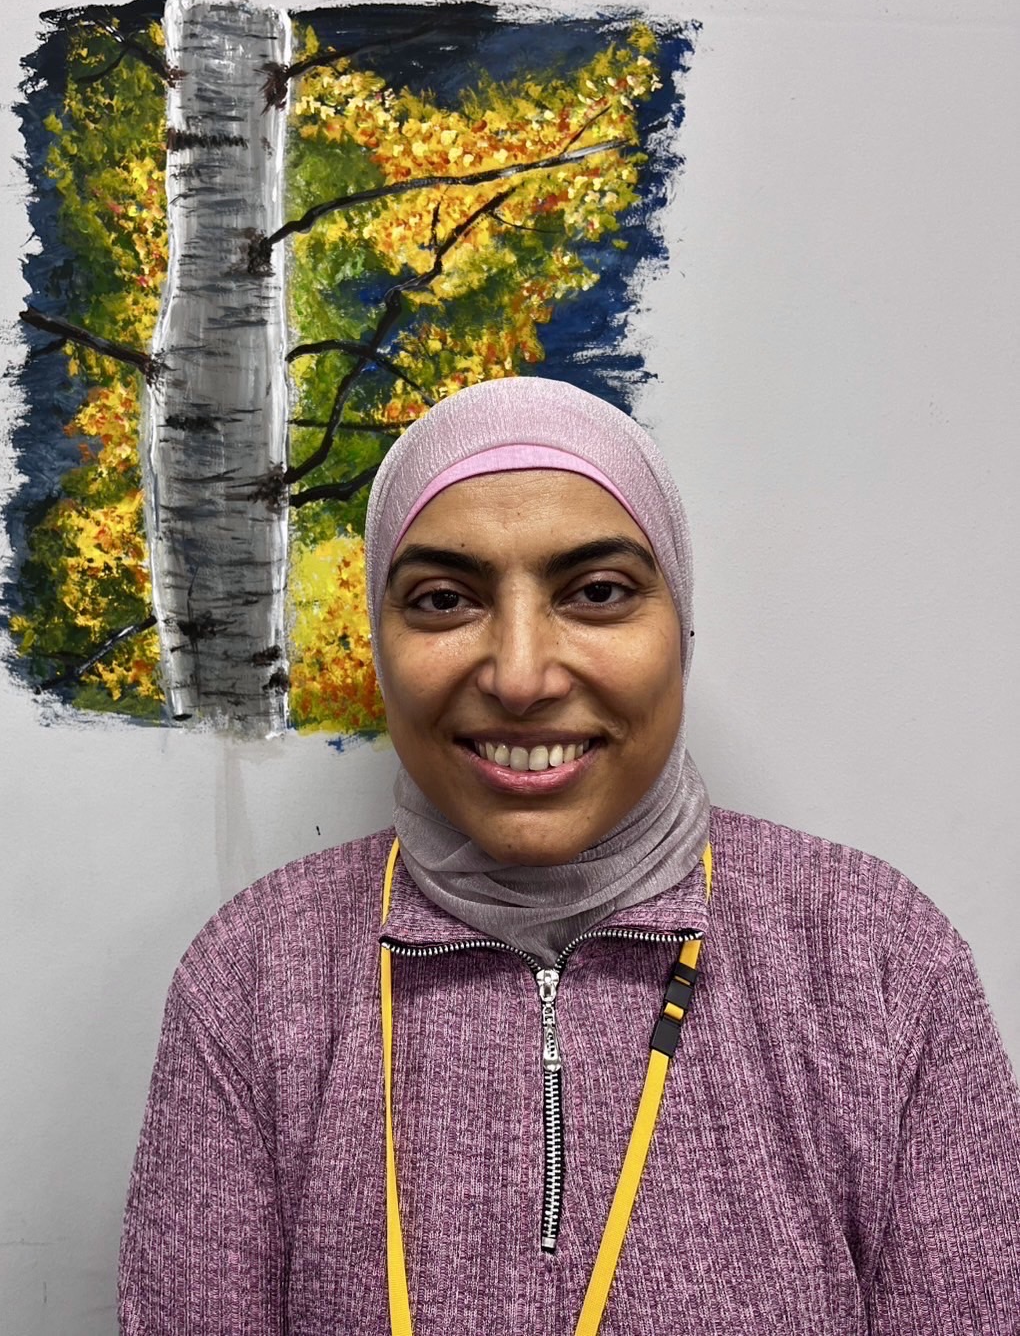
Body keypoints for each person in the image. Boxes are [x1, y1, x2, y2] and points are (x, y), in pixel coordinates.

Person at [118, 377, 1020, 1335]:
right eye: (443, 599)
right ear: (380, 643)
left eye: (597, 593)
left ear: (682, 628)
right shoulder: (254, 978)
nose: (520, 676)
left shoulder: (876, 958)